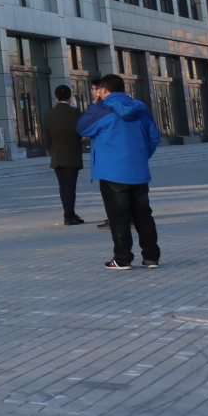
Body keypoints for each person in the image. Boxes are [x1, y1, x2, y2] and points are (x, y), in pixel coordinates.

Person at [78, 74, 163, 269]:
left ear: (104, 90)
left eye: (98, 89)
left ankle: (122, 258)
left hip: (112, 172)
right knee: (144, 216)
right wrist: (141, 156)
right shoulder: (140, 108)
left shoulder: (102, 110)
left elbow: (82, 128)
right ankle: (151, 257)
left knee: (119, 217)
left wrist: (94, 104)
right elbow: (154, 137)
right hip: (138, 170)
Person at [41, 84, 85, 225]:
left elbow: (46, 138)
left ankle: (68, 214)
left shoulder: (49, 114)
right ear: (70, 98)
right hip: (72, 155)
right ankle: (69, 216)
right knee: (70, 187)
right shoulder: (76, 113)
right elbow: (83, 131)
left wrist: (52, 152)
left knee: (63, 187)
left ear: (56, 98)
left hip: (57, 156)